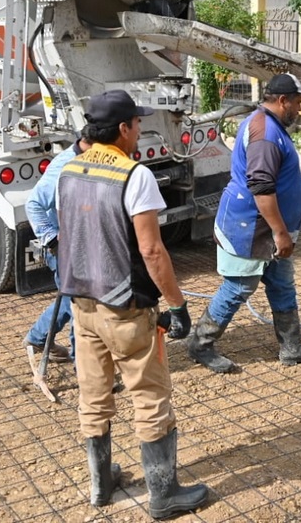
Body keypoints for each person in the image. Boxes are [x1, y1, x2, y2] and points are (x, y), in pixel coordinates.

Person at [55, 90, 207, 517]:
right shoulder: (134, 175)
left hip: (82, 305)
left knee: (94, 394)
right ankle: (163, 494)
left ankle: (101, 485)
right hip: (126, 307)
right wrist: (176, 305)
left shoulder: (69, 169)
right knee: (150, 395)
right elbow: (152, 252)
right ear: (123, 129)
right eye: (137, 124)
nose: (140, 131)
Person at [188, 73, 301, 374]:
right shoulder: (265, 133)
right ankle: (200, 343)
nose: (299, 108)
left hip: (264, 227)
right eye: (296, 102)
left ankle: (292, 347)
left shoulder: (268, 124)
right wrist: (280, 232)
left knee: (281, 282)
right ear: (282, 101)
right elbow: (262, 187)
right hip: (252, 227)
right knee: (240, 285)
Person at [23, 136, 91, 384]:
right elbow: (34, 204)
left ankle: (38, 338)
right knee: (79, 304)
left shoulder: (90, 160)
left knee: (70, 299)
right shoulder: (66, 166)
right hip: (62, 249)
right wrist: (54, 242)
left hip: (81, 246)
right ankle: (82, 368)